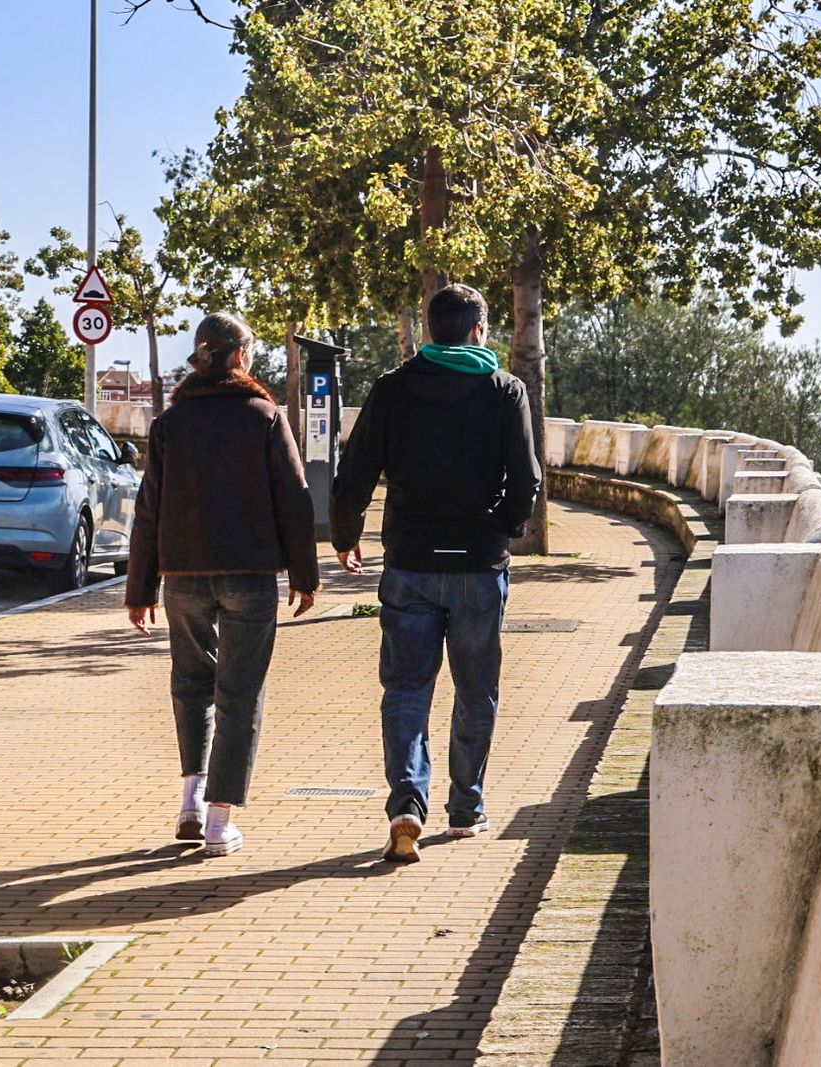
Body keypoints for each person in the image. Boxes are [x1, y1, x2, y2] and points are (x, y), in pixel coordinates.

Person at [330, 284, 540, 864]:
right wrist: (503, 526)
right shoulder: (505, 390)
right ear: (479, 330)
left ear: (429, 330)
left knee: (405, 687)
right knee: (476, 688)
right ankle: (466, 808)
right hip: (478, 564)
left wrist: (346, 537)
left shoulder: (393, 388)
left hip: (410, 561)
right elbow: (526, 479)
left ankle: (406, 805)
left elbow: (354, 473)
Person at [125, 312, 319, 857]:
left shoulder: (171, 423)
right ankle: (219, 821)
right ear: (238, 356)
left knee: (190, 685)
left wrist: (139, 590)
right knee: (240, 692)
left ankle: (190, 800)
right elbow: (295, 499)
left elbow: (148, 509)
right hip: (248, 577)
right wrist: (304, 576)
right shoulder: (263, 415)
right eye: (250, 350)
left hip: (182, 577)